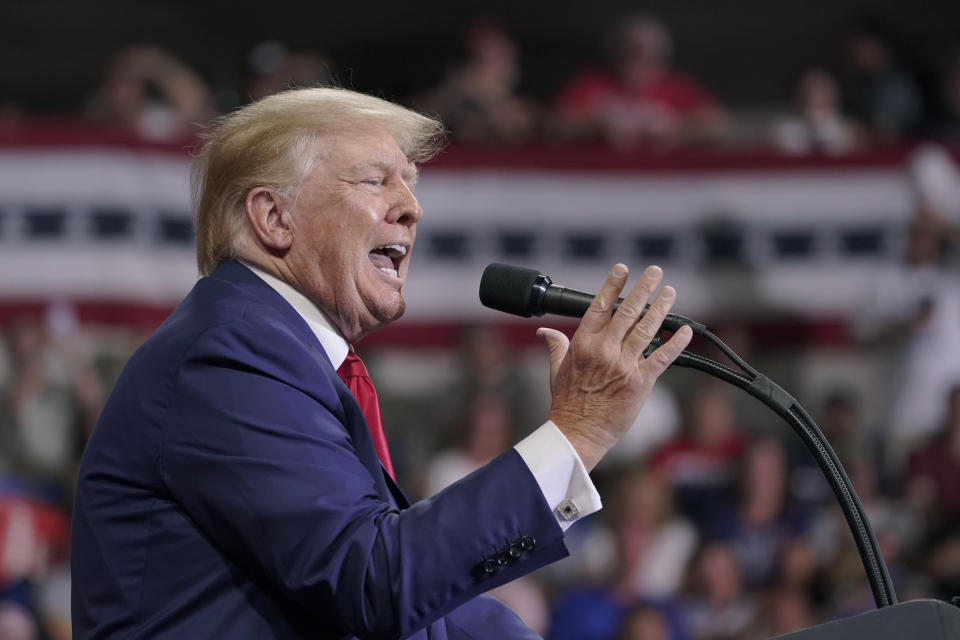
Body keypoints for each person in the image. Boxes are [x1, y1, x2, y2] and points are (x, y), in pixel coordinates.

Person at [70, 87, 693, 639]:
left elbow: (423, 611)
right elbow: (372, 581)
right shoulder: (228, 354)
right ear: (274, 218)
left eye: (411, 185)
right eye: (375, 181)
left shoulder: (288, 356)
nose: (411, 209)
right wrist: (575, 433)